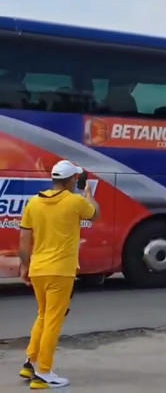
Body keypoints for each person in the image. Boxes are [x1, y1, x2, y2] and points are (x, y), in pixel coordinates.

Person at [18, 160, 100, 388]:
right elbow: (95, 214)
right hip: (61, 272)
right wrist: (88, 194)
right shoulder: (75, 202)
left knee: (43, 316)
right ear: (72, 180)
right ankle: (43, 372)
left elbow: (24, 239)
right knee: (53, 320)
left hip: (38, 269)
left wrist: (24, 267)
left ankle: (29, 362)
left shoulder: (34, 203)